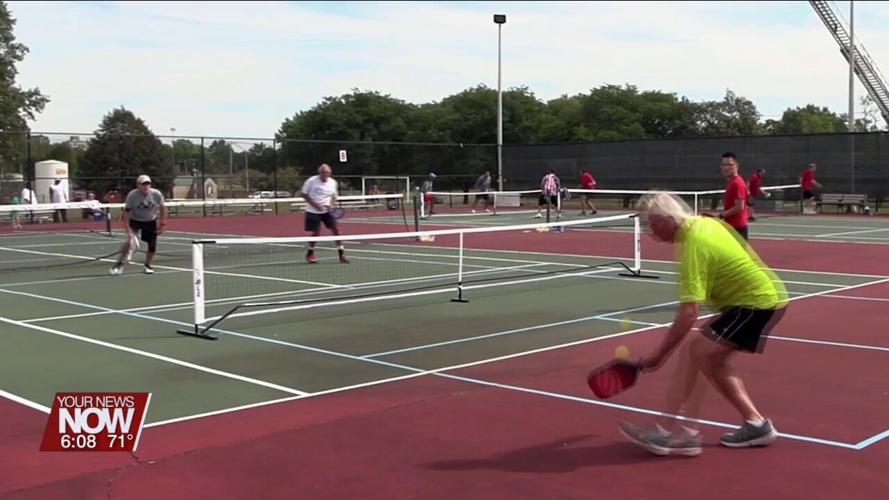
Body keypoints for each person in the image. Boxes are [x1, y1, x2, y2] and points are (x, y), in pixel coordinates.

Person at [618, 191, 789, 457]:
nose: (650, 230)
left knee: (694, 352)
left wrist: (656, 358)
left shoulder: (693, 244)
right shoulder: (704, 223)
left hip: (755, 303)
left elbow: (689, 312)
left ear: (667, 218)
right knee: (708, 358)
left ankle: (675, 433)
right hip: (757, 300)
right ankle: (755, 424)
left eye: (652, 223)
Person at [110, 175, 166, 275]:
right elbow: (126, 212)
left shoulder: (156, 194)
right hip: (135, 220)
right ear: (138, 185)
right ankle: (120, 264)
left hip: (150, 221)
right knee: (130, 243)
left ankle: (147, 265)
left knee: (152, 246)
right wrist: (128, 229)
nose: (146, 186)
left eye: (148, 184)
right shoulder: (132, 195)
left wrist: (161, 223)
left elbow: (162, 208)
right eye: (143, 184)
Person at [300, 163, 348, 264]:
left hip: (328, 211)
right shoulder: (311, 181)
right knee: (316, 233)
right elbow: (304, 194)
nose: (324, 174)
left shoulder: (333, 182)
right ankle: (310, 253)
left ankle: (341, 253)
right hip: (313, 211)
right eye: (322, 173)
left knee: (336, 230)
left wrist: (331, 204)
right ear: (319, 173)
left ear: (330, 173)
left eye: (326, 172)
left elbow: (334, 197)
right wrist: (316, 205)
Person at [710, 152, 749, 241]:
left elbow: (739, 207)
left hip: (737, 229)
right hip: (731, 227)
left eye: (730, 165)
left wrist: (721, 215)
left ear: (737, 165)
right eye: (724, 165)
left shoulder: (737, 183)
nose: (726, 168)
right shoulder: (731, 182)